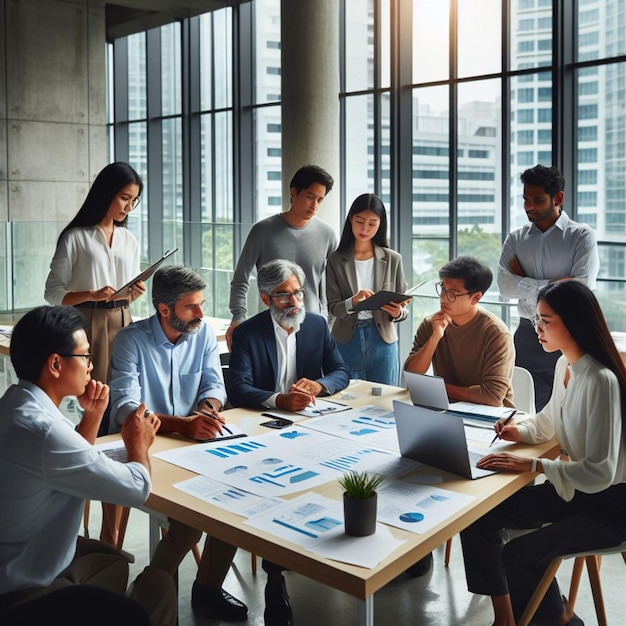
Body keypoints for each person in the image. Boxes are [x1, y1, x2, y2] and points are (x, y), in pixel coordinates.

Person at [460, 280, 626, 626]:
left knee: (519, 554)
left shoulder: (601, 380)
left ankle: (565, 622)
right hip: (578, 493)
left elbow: (601, 473)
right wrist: (517, 431)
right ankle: (506, 620)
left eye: (545, 321)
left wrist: (533, 464)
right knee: (477, 518)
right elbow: (547, 422)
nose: (537, 329)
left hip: (611, 507)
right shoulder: (565, 365)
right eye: (536, 320)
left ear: (574, 322)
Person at [0, 305, 176, 626]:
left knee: (117, 562)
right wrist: (138, 442)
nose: (92, 367)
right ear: (56, 364)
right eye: (85, 357)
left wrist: (93, 417)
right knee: (159, 585)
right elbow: (135, 489)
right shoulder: (45, 431)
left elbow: (71, 462)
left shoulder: (15, 404)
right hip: (27, 591)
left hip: (18, 559)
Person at [108, 265, 247, 623]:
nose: (201, 314)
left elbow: (215, 385)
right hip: (142, 447)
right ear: (164, 309)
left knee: (234, 497)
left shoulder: (201, 335)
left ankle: (207, 588)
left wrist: (207, 409)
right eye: (192, 307)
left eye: (201, 304)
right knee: (191, 517)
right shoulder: (129, 340)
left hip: (193, 440)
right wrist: (182, 426)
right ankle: (150, 593)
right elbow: (127, 409)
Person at [227, 259, 350, 626]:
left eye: (298, 292)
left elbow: (342, 370)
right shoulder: (248, 333)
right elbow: (237, 387)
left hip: (311, 424)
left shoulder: (315, 324)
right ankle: (275, 576)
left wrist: (320, 385)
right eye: (284, 295)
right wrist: (281, 400)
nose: (295, 300)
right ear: (266, 298)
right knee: (275, 491)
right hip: (263, 426)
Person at [44, 162, 147, 546]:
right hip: (87, 325)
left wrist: (131, 292)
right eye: (124, 198)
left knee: (126, 409)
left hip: (125, 321)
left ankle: (114, 530)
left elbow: (128, 285)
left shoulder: (129, 240)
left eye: (134, 201)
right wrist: (90, 294)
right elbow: (53, 292)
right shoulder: (75, 237)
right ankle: (108, 533)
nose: (127, 208)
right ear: (105, 194)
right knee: (102, 414)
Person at [498, 164, 599, 412]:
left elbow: (582, 286)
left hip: (569, 333)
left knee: (569, 408)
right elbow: (504, 287)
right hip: (526, 335)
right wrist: (558, 283)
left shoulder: (581, 237)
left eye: (537, 200)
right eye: (525, 199)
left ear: (558, 198)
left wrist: (525, 281)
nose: (528, 206)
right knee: (523, 407)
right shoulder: (515, 238)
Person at [226, 164, 337, 349]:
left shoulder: (328, 234)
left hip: (314, 328)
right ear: (294, 192)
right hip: (271, 328)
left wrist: (328, 323)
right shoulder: (262, 231)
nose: (315, 205)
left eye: (320, 199)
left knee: (310, 379)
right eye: (310, 197)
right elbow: (240, 278)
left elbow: (335, 285)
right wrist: (238, 316)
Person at [405, 255, 515, 408]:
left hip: (491, 417)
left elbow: (492, 397)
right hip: (445, 408)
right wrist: (435, 338)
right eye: (443, 288)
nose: (443, 298)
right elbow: (411, 375)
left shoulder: (496, 333)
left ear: (475, 298)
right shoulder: (432, 324)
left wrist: (438, 388)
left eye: (453, 294)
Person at [326, 193, 409, 386]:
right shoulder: (335, 260)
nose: (365, 229)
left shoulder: (392, 259)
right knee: (345, 399)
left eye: (372, 224)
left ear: (381, 224)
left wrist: (398, 313)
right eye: (360, 221)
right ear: (350, 220)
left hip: (383, 342)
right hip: (346, 340)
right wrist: (353, 301)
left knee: (384, 401)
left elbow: (403, 307)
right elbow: (332, 307)